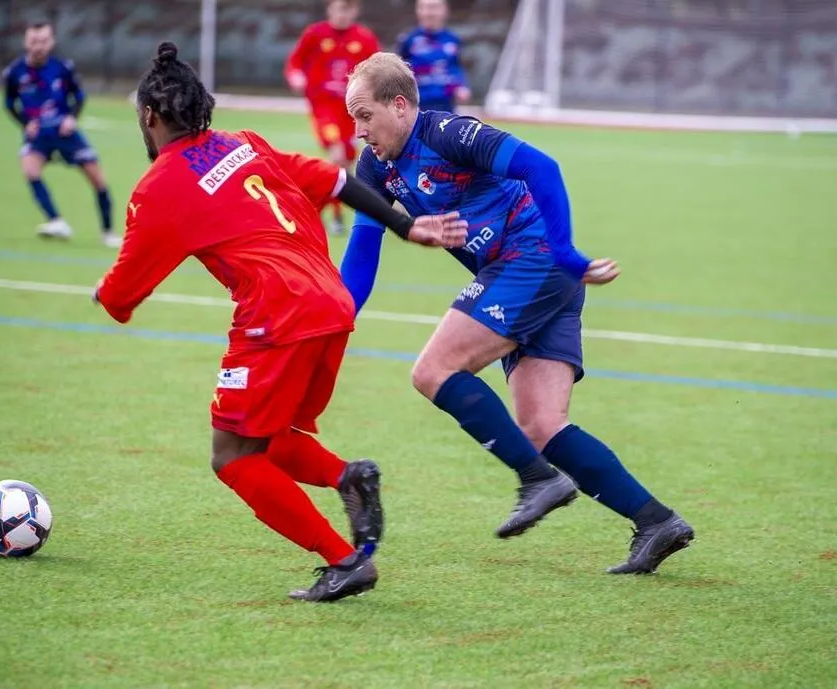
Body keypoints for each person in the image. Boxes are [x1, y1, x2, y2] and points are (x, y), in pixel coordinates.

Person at [94, 43, 468, 601]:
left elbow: (121, 297)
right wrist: (403, 224)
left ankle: (345, 561)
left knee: (232, 457)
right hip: (332, 304)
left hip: (278, 316)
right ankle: (348, 477)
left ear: (149, 116)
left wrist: (101, 292)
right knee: (267, 440)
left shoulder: (158, 188)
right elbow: (336, 181)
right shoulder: (243, 144)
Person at [340, 53, 694, 574]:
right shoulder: (375, 168)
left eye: (364, 115)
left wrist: (566, 252)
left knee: (434, 370)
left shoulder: (448, 134)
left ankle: (538, 479)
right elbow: (363, 246)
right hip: (533, 276)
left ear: (398, 105)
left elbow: (541, 166)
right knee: (542, 425)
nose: (358, 131)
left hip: (534, 261)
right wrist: (340, 314)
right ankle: (656, 522)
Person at [2, 21, 120, 247]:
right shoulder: (14, 72)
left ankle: (108, 232)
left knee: (98, 179)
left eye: (43, 41)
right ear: (26, 42)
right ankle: (57, 221)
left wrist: (71, 118)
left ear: (51, 42)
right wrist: (25, 123)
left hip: (65, 132)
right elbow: (9, 103)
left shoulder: (63, 67)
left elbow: (79, 96)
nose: (39, 46)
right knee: (30, 170)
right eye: (34, 41)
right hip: (38, 135)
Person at [284, 0, 380, 235]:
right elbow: (294, 62)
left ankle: (320, 210)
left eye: (348, 9)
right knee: (337, 155)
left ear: (355, 11)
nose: (342, 14)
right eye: (339, 9)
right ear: (330, 9)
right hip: (324, 107)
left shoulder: (364, 38)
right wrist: (296, 76)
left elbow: (379, 68)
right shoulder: (315, 34)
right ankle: (321, 214)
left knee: (344, 164)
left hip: (352, 111)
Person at [397, 0, 471, 112]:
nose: (430, 13)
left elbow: (456, 67)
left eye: (434, 7)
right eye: (425, 8)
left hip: (446, 105)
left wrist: (461, 87)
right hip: (417, 104)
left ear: (445, 10)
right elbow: (399, 70)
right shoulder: (408, 40)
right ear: (418, 11)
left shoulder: (453, 39)